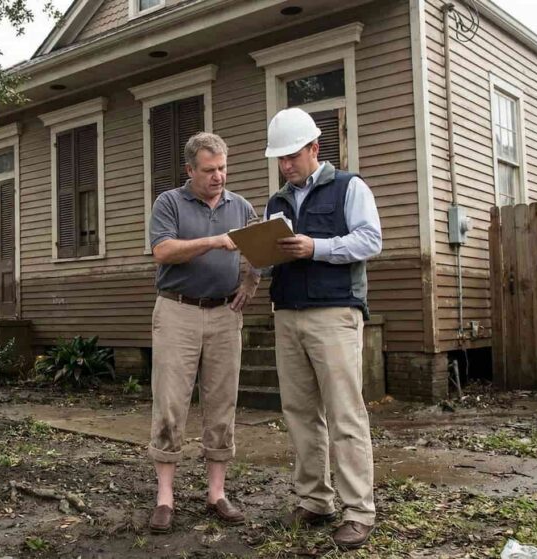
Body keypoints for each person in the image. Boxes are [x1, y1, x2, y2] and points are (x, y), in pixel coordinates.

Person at [262, 108, 383, 550]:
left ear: (315, 148)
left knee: (345, 412)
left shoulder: (350, 187)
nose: (286, 165)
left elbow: (371, 239)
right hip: (287, 312)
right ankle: (316, 500)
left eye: (292, 156)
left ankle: (359, 511)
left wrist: (316, 247)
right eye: (279, 159)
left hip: (335, 312)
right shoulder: (276, 202)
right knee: (299, 412)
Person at [147, 131, 261, 533]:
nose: (219, 177)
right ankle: (165, 497)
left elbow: (259, 249)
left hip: (224, 314)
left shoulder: (241, 206)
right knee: (171, 402)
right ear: (190, 170)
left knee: (222, 403)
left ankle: (216, 493)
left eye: (223, 168)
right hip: (178, 311)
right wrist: (214, 241)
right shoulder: (169, 203)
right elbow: (162, 251)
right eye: (210, 170)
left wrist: (250, 282)